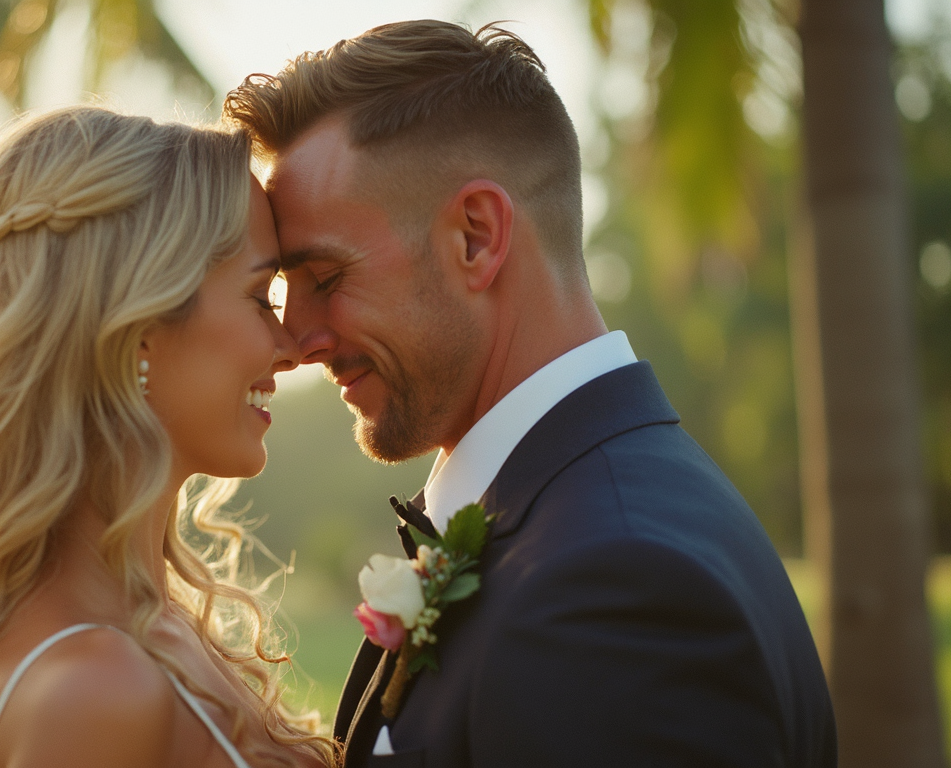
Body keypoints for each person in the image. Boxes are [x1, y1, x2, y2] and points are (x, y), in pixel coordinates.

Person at [225, 19, 837, 767]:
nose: (296, 340)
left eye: (324, 279)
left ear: (476, 237)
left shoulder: (615, 590)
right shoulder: (584, 520)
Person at [0, 107, 337, 768]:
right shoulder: (93, 689)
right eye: (262, 296)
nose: (291, 347)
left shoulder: (136, 632)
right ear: (135, 327)